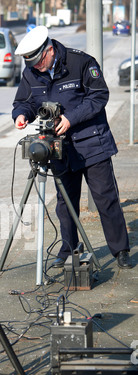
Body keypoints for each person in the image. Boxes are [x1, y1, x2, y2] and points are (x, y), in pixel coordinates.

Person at [12, 26, 133, 270]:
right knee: (64, 203)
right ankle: (69, 249)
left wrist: (71, 119)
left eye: (38, 62)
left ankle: (120, 250)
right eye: (31, 64)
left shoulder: (81, 62)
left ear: (48, 50)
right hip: (58, 148)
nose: (35, 67)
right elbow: (24, 101)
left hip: (92, 143)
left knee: (106, 199)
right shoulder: (31, 72)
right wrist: (21, 115)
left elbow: (99, 96)